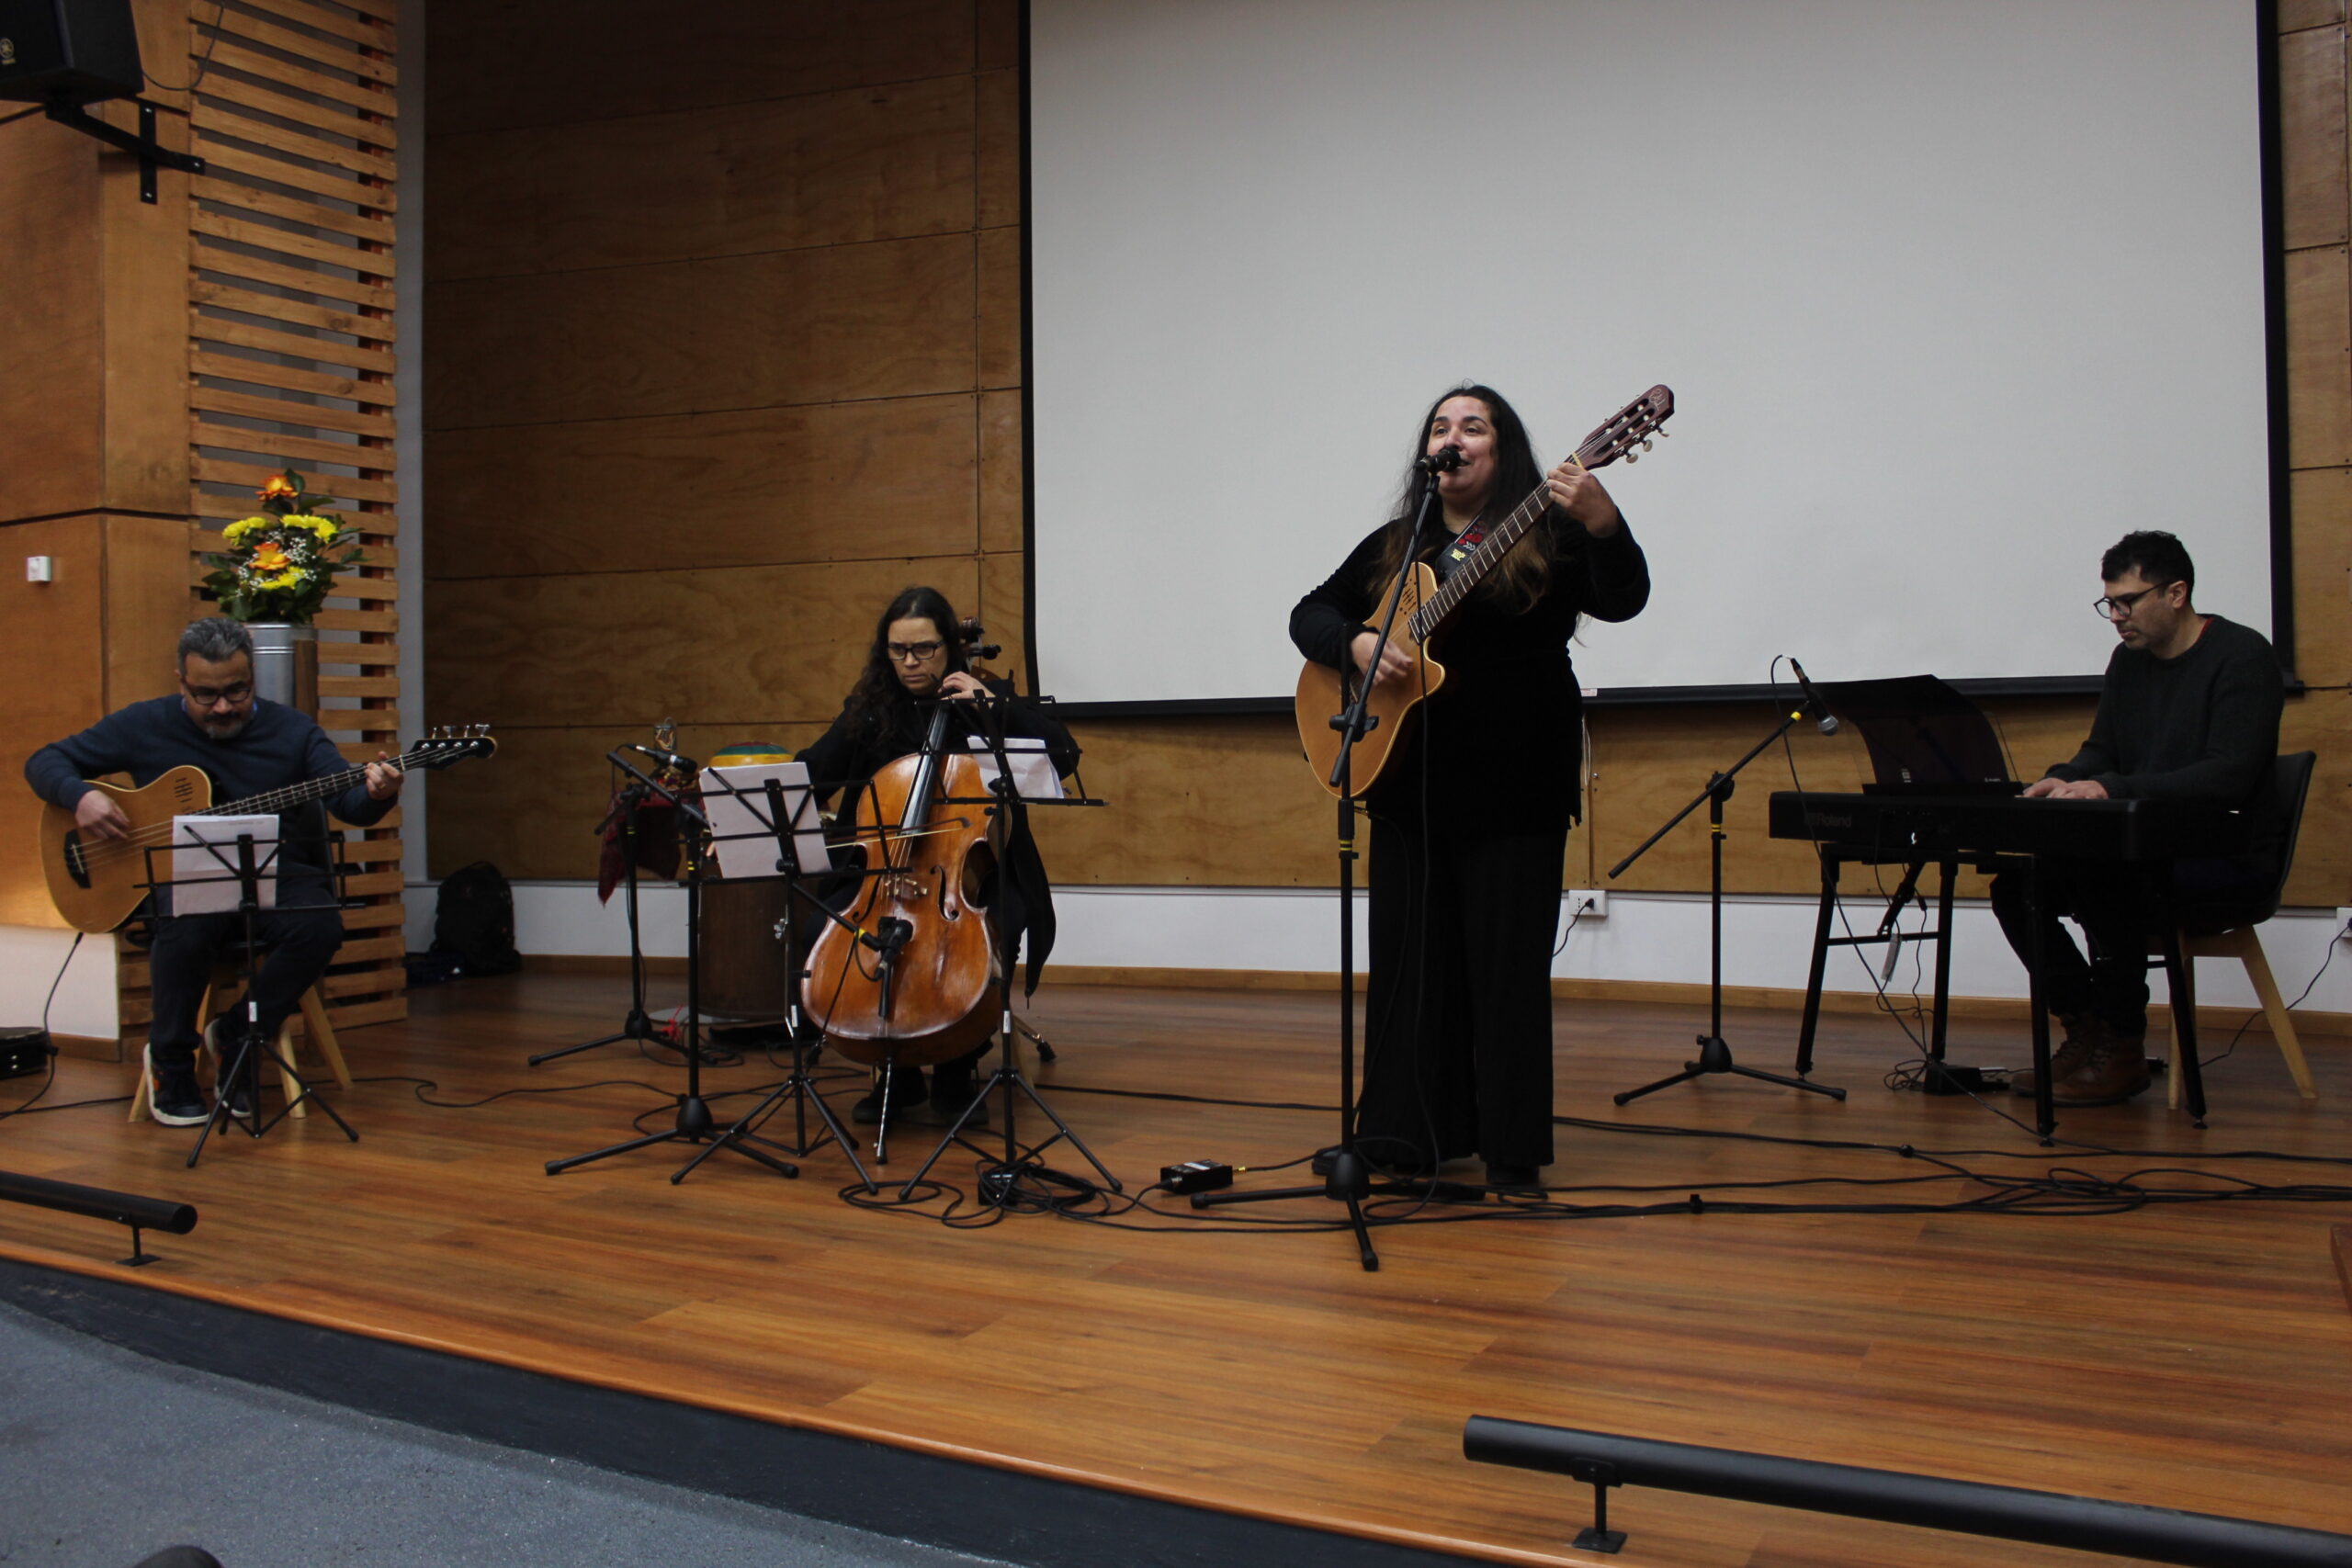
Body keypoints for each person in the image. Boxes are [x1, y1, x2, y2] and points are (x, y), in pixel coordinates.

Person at [1291, 384, 1651, 1189]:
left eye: (1472, 426)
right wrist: (1356, 643)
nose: (1451, 437)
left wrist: (1606, 524)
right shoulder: (1398, 543)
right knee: (1410, 973)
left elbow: (1623, 599)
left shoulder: (1549, 526)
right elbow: (1308, 613)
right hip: (1409, 782)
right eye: (1440, 427)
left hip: (1515, 782)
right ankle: (1405, 1136)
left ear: (1502, 448)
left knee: (1506, 973)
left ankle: (1512, 1152)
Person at [25, 617, 403, 1125]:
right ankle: (170, 1062)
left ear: (252, 678)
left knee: (320, 926)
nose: (223, 707)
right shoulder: (144, 724)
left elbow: (349, 803)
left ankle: (239, 1035)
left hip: (273, 871)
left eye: (236, 691)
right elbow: (45, 761)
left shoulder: (294, 732)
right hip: (178, 875)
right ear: (181, 682)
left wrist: (379, 792)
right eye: (205, 695)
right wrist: (80, 797)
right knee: (188, 925)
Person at [1995, 531, 2285, 1105]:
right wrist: (2063, 777)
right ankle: (2087, 1027)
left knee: (2106, 876)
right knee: (2017, 886)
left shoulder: (2242, 656)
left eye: (2127, 602)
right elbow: (2102, 750)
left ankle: (2123, 1045)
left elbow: (2226, 776)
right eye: (2109, 604)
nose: (2116, 617)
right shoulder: (2129, 662)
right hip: (2143, 848)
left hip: (2221, 855)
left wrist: (2109, 787)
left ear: (2176, 593)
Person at [796, 586, 1080, 1128]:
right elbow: (816, 770)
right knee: (820, 928)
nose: (910, 662)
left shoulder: (983, 698)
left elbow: (1062, 755)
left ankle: (956, 1066)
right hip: (881, 872)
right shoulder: (871, 709)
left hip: (972, 871)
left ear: (949, 646)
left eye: (923, 649)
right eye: (898, 650)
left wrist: (991, 705)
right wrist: (754, 803)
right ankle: (893, 1069)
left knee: (1001, 922)